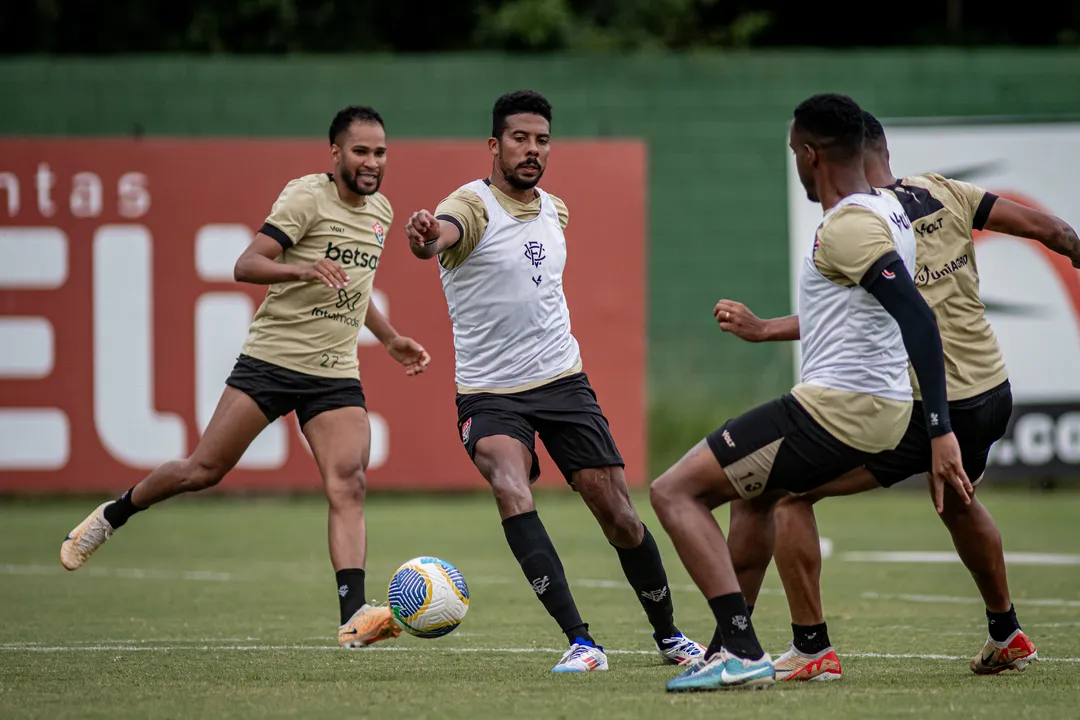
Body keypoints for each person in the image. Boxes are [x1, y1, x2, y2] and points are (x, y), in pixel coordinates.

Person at [719, 109, 1079, 681]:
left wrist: (938, 429)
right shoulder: (946, 191)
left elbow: (866, 313)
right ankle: (1006, 633)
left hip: (931, 407)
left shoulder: (868, 221)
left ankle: (810, 649)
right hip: (992, 391)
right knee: (959, 502)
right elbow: (1054, 232)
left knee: (786, 494)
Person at [60, 105, 431, 649]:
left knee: (349, 482)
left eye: (380, 152)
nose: (372, 162)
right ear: (335, 153)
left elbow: (353, 287)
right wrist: (301, 267)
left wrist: (390, 336)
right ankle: (113, 515)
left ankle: (353, 618)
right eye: (360, 151)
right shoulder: (306, 197)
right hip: (272, 362)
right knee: (201, 470)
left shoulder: (381, 211)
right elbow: (246, 264)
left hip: (334, 372)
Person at [650, 93, 973, 693]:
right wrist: (766, 328)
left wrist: (941, 429)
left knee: (674, 492)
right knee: (755, 496)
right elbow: (859, 309)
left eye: (793, 153)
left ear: (808, 154)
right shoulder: (884, 209)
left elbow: (919, 320)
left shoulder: (848, 226)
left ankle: (742, 654)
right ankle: (726, 646)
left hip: (840, 409)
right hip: (870, 409)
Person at [404, 90, 704, 674]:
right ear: (494, 145)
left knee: (617, 513)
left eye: (542, 140)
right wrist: (423, 236)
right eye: (520, 138)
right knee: (510, 485)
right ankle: (582, 642)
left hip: (562, 381)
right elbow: (436, 236)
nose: (532, 150)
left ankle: (669, 636)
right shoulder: (470, 206)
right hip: (489, 393)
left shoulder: (556, 210)